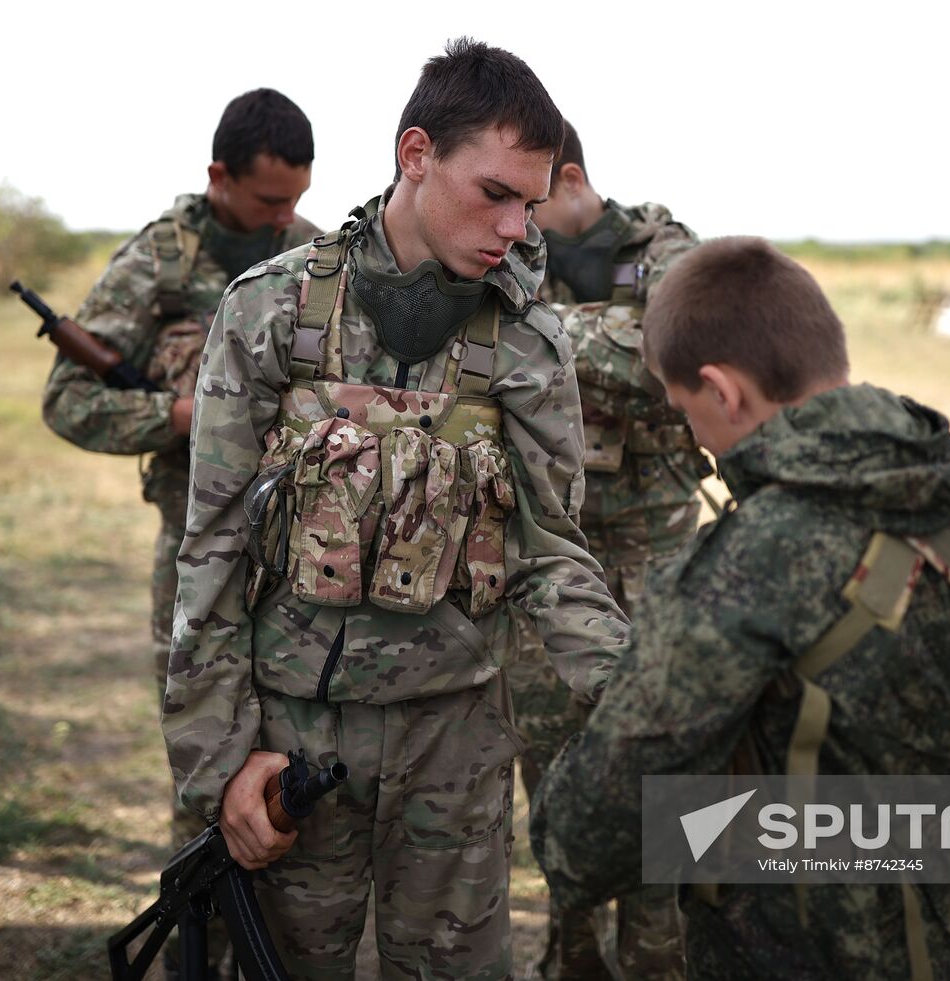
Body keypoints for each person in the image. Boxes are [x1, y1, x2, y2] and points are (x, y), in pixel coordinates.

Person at [529, 237, 950, 980]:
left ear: (722, 392)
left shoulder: (737, 568)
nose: (692, 434)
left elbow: (584, 839)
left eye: (684, 409)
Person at [162, 39, 629, 981]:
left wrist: (645, 697)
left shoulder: (530, 344)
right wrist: (221, 765)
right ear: (416, 154)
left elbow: (551, 557)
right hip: (297, 738)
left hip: (455, 738)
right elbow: (210, 549)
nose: (515, 228)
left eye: (531, 204)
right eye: (494, 192)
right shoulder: (271, 312)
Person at [41, 87, 318, 980]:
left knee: (292, 761)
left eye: (295, 198)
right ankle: (198, 944)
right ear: (217, 177)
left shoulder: (311, 252)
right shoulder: (159, 260)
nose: (284, 217)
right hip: (198, 550)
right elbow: (68, 400)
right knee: (207, 762)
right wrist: (180, 414)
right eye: (269, 201)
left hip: (299, 557)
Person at [505, 122, 702, 979]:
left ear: (571, 177)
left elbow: (672, 354)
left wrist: (538, 329)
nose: (515, 220)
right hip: (550, 560)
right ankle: (571, 964)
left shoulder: (666, 250)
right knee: (556, 786)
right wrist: (602, 339)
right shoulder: (513, 250)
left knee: (664, 787)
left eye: (529, 198)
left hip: (656, 565)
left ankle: (659, 965)